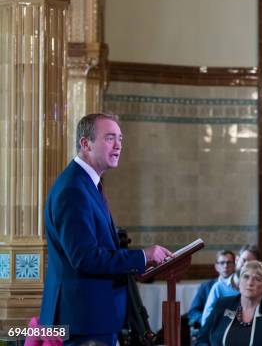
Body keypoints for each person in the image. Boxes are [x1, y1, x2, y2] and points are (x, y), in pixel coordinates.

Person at [39, 113, 172, 346]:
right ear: (85, 143)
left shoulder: (87, 184)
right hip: (83, 320)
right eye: (110, 138)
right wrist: (142, 256)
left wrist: (138, 262)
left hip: (94, 317)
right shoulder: (73, 189)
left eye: (120, 138)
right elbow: (85, 258)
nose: (119, 145)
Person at [195, 260, 262, 346]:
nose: (250, 283)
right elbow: (202, 339)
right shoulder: (223, 304)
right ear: (239, 282)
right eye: (245, 277)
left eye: (257, 279)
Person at [201, 244, 260, 326]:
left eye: (251, 263)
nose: (246, 265)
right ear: (237, 259)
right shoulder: (219, 287)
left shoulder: (259, 290)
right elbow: (206, 321)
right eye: (244, 260)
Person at [188, 250, 236, 327]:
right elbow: (193, 311)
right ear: (216, 266)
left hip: (233, 325)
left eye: (229, 262)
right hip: (209, 327)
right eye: (222, 263)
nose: (225, 266)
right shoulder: (206, 286)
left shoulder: (239, 286)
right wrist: (207, 320)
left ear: (234, 265)